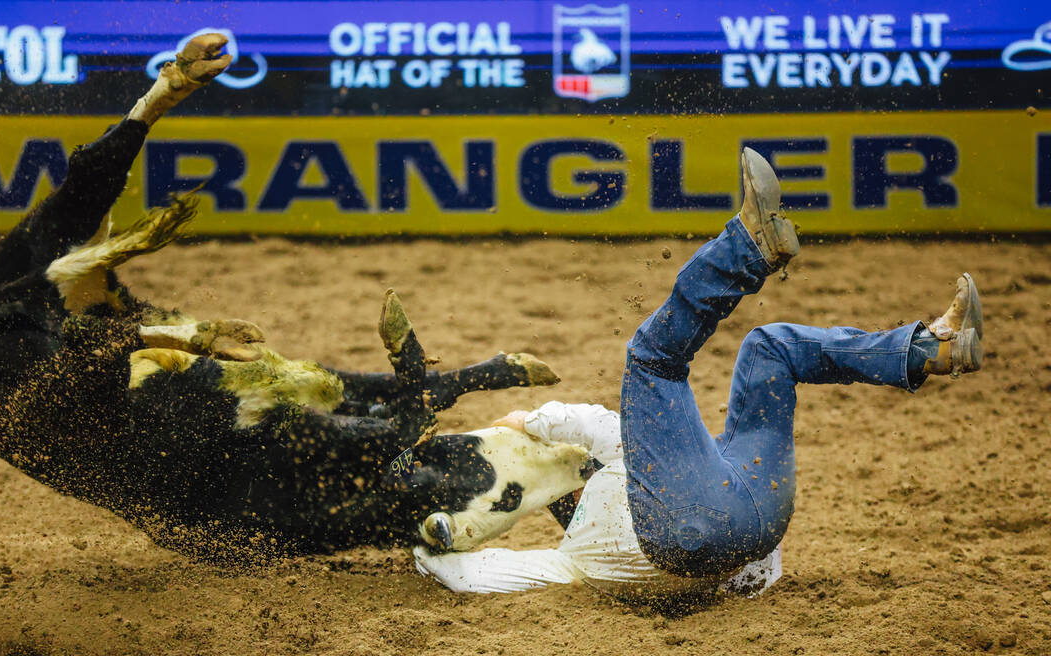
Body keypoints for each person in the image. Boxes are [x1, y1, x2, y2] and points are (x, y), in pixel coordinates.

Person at [413, 148, 983, 601]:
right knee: (652, 360)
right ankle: (748, 250)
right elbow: (590, 425)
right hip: (723, 518)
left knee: (769, 347)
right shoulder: (629, 476)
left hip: (749, 532)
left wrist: (428, 553)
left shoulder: (576, 564)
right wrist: (530, 419)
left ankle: (928, 349)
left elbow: (484, 574)